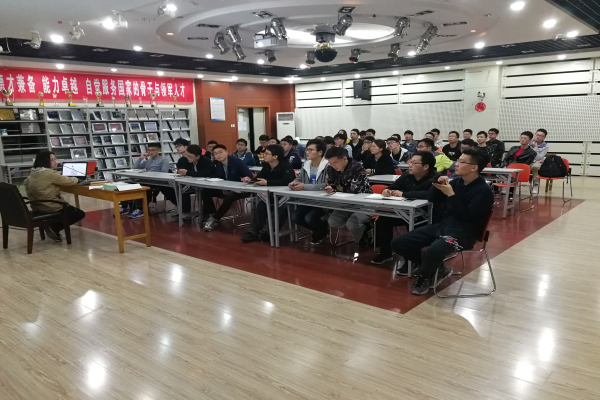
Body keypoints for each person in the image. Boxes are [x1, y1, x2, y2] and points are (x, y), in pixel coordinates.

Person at [391, 148, 494, 295]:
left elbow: (469, 217)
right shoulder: (457, 182)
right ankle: (437, 268)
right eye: (457, 160)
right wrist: (437, 183)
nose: (456, 164)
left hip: (465, 233)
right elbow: (432, 198)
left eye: (461, 162)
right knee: (399, 242)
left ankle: (424, 276)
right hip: (445, 226)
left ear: (474, 167)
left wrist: (451, 195)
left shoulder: (483, 190)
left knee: (434, 250)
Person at [371, 151, 438, 265]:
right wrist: (386, 190)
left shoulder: (436, 178)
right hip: (405, 212)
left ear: (426, 166)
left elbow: (429, 194)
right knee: (383, 220)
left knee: (411, 223)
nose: (410, 165)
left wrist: (404, 194)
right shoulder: (406, 175)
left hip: (427, 215)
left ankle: (411, 259)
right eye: (410, 162)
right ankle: (385, 253)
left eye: (414, 163)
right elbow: (394, 186)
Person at [23, 150, 85, 242]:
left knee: (69, 209)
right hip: (50, 206)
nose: (55, 161)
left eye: (55, 159)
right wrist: (77, 179)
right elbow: (68, 181)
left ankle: (51, 224)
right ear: (44, 161)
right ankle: (54, 227)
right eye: (52, 160)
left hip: (37, 206)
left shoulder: (33, 173)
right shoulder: (50, 174)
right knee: (78, 213)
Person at [240, 144, 296, 243]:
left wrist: (268, 182)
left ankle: (271, 233)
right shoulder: (266, 165)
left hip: (286, 196)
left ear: (275, 156)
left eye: (266, 153)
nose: (263, 155)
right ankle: (253, 232)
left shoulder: (286, 165)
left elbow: (287, 181)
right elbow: (260, 177)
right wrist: (251, 180)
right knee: (261, 205)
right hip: (272, 195)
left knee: (281, 208)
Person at [325, 147, 373, 246]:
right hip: (346, 202)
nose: (333, 166)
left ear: (344, 158)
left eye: (335, 162)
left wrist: (336, 187)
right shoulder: (330, 168)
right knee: (333, 221)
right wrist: (331, 187)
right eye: (331, 163)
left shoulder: (357, 167)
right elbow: (330, 183)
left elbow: (354, 189)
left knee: (352, 223)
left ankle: (364, 239)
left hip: (364, 203)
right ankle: (363, 231)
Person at [202, 144, 254, 232]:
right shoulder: (218, 164)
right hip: (225, 188)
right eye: (215, 154)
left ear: (226, 152)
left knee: (230, 196)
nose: (218, 155)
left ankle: (215, 218)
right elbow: (218, 178)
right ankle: (212, 214)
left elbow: (248, 175)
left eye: (220, 152)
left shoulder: (237, 162)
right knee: (205, 191)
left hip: (241, 190)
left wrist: (246, 179)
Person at [288, 139, 329, 244]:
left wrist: (304, 186)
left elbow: (326, 185)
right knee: (295, 217)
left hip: (323, 201)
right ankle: (320, 229)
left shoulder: (328, 165)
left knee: (309, 218)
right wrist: (293, 183)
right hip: (308, 200)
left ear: (320, 152)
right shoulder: (306, 164)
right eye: (307, 150)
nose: (307, 152)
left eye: (311, 150)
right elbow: (299, 178)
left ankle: (321, 231)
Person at [126, 143, 170, 218]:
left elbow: (164, 173)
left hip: (157, 181)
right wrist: (140, 158)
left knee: (139, 186)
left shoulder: (164, 160)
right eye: (148, 150)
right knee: (128, 183)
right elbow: (135, 168)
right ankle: (125, 207)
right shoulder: (148, 161)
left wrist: (149, 173)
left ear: (158, 150)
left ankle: (140, 209)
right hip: (147, 180)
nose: (150, 152)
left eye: (153, 150)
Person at [176, 144, 216, 219]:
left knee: (204, 191)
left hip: (210, 184)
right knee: (182, 189)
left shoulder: (206, 162)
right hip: (195, 184)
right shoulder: (187, 160)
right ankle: (186, 212)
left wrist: (187, 172)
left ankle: (210, 213)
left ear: (198, 156)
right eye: (187, 156)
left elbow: (204, 174)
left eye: (190, 156)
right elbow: (183, 169)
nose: (188, 158)